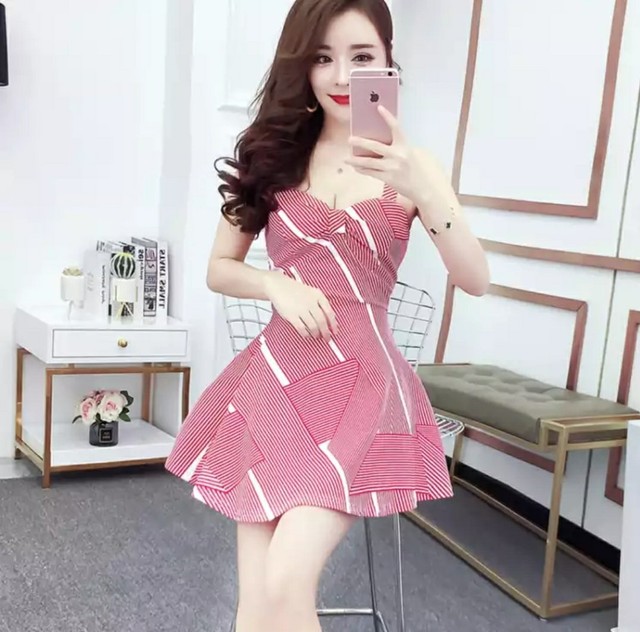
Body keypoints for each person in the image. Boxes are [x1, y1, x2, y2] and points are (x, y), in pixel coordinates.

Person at [165, 0, 490, 630]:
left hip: (364, 392)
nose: (342, 76)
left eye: (362, 56)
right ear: (302, 66)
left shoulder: (413, 167)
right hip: (276, 387)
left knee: (285, 582)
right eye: (322, 58)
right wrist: (274, 286)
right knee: (257, 600)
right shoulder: (273, 158)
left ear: (388, 61)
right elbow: (219, 268)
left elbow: (474, 279)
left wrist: (425, 191)